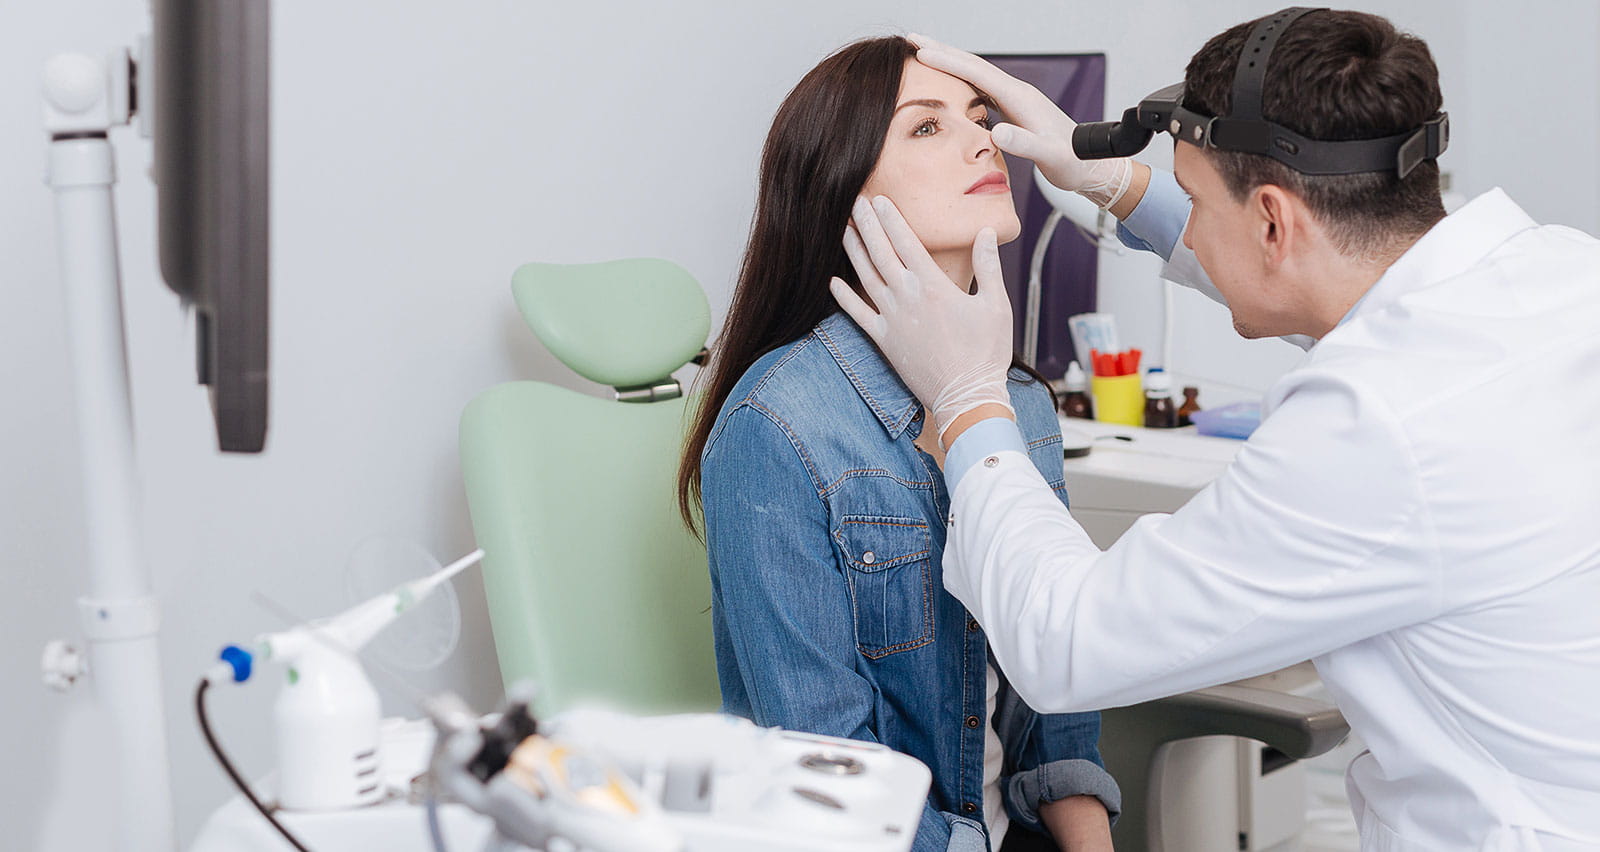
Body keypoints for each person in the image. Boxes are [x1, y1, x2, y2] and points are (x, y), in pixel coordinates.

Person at [834, 12, 1600, 851]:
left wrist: (970, 399)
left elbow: (1066, 644)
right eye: (930, 127)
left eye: (1193, 200)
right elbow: (1346, 297)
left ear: (1273, 221)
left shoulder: (1373, 428)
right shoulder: (1558, 272)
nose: (979, 147)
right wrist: (1115, 183)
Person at [677, 36, 1119, 852]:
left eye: (980, 117)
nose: (985, 140)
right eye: (926, 128)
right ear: (844, 197)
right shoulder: (779, 425)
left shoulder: (1018, 404)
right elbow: (824, 766)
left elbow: (1052, 692)